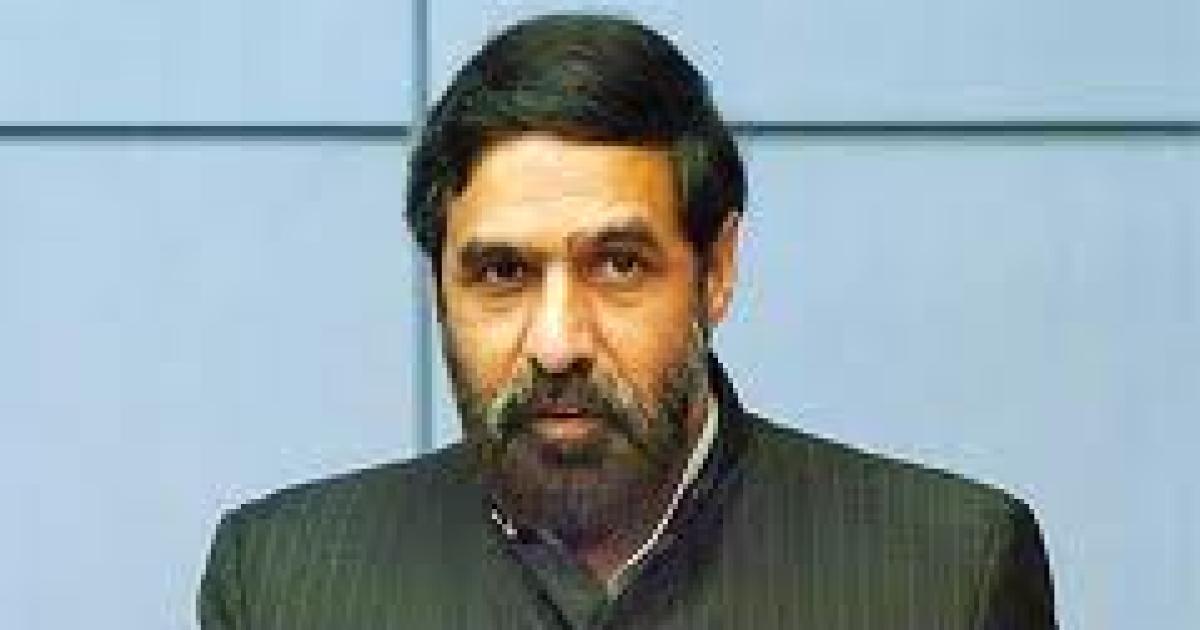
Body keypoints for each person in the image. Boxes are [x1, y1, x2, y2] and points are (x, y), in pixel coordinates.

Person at [198, 13, 1057, 629]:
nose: (558, 344)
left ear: (716, 271)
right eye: (503, 273)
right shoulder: (283, 584)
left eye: (618, 266)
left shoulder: (948, 577)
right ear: (439, 289)